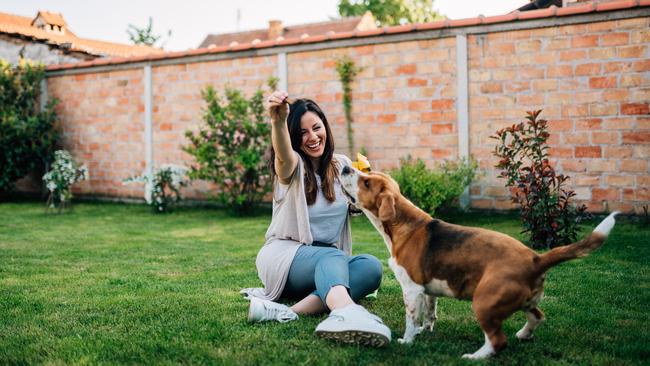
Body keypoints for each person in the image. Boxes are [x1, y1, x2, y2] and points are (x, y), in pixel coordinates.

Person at [240, 91, 391, 347]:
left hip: (324, 266)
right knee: (332, 256)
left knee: (371, 267)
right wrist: (278, 122)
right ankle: (347, 312)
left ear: (325, 128)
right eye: (302, 133)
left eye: (316, 128)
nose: (312, 137)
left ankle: (288, 312)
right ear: (293, 138)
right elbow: (283, 157)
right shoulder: (293, 166)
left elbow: (358, 204)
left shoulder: (340, 164)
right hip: (285, 259)